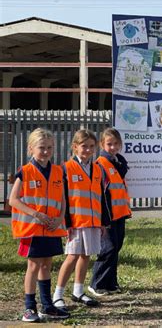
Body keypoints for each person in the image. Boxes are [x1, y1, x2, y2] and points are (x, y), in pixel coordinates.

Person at [9, 128, 70, 322]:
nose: (46, 151)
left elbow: (62, 200)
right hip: (32, 229)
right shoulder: (25, 171)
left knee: (47, 265)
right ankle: (29, 308)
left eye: (49, 148)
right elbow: (13, 199)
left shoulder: (58, 171)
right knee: (34, 266)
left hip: (51, 228)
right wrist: (35, 214)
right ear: (31, 149)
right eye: (41, 147)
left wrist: (60, 218)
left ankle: (47, 305)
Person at [53, 129, 108, 308]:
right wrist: (66, 222)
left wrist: (103, 222)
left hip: (93, 222)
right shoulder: (65, 169)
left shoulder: (98, 169)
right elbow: (62, 199)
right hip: (75, 223)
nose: (88, 150)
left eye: (91, 147)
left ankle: (78, 291)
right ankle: (57, 294)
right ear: (75, 147)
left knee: (86, 255)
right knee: (72, 256)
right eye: (84, 146)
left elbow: (102, 197)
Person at [88, 128, 132, 297]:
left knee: (116, 248)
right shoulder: (100, 165)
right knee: (108, 249)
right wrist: (101, 218)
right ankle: (97, 284)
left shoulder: (118, 163)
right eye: (109, 144)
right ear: (102, 145)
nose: (113, 147)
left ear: (120, 144)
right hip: (107, 216)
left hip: (120, 214)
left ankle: (111, 283)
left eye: (115, 144)